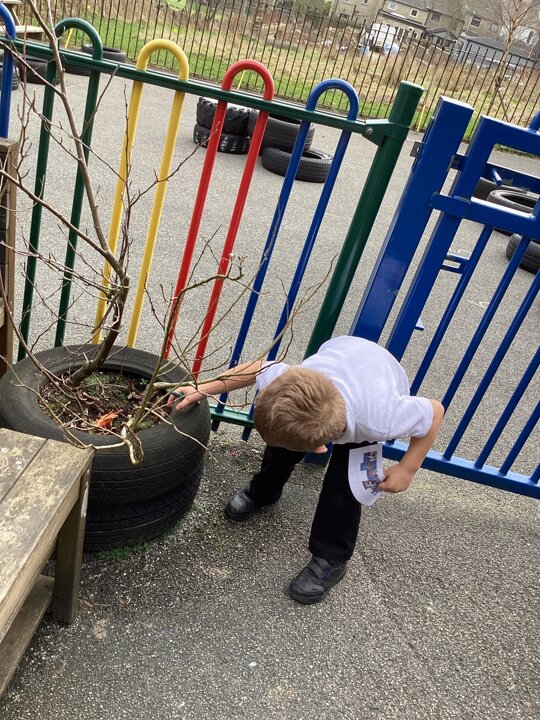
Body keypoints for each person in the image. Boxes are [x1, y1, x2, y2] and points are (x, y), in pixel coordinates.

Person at [169, 335, 444, 605]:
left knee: (345, 487)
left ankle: (332, 558)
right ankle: (263, 492)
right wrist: (201, 389)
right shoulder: (286, 380)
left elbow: (435, 412)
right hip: (340, 355)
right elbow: (255, 369)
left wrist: (408, 468)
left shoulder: (380, 420)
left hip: (380, 379)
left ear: (319, 448)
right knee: (281, 448)